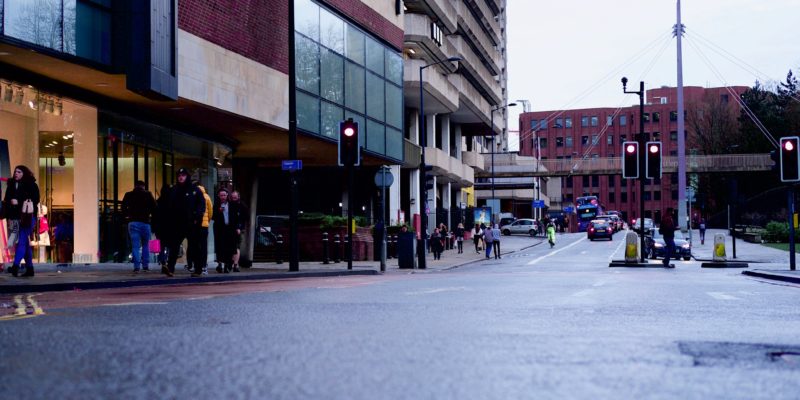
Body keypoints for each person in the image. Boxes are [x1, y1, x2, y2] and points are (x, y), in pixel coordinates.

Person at [158, 168, 206, 277]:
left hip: (191, 224)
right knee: (174, 246)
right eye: (179, 175)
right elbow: (168, 206)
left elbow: (201, 205)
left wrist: (197, 218)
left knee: (194, 246)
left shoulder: (195, 190)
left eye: (183, 175)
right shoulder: (173, 190)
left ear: (187, 176)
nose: (181, 177)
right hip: (177, 224)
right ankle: (170, 269)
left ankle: (198, 269)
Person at [4, 165, 40, 277]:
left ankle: (15, 267)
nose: (16, 174)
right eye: (15, 172)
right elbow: (6, 200)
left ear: (24, 173)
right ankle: (30, 269)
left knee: (22, 241)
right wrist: (9, 216)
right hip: (16, 217)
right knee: (25, 243)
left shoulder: (31, 185)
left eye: (19, 172)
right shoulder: (10, 185)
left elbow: (35, 200)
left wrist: (18, 202)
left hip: (28, 216)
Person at [121, 180, 157, 273]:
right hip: (145, 222)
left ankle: (136, 267)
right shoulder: (148, 194)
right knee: (145, 245)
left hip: (133, 222)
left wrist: (127, 216)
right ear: (143, 186)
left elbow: (123, 207)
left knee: (135, 246)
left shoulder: (128, 194)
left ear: (135, 186)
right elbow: (154, 208)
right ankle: (145, 266)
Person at [213, 188, 240, 273]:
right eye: (221, 195)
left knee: (230, 247)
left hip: (230, 228)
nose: (223, 197)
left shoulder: (232, 204)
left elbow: (237, 217)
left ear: (227, 195)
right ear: (218, 196)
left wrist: (238, 227)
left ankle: (227, 266)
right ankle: (220, 264)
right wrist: (219, 211)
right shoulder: (216, 205)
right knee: (220, 247)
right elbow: (213, 217)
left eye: (224, 195)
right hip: (220, 229)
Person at [230, 190, 248, 271]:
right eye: (232, 197)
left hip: (239, 229)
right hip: (231, 228)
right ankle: (232, 263)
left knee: (237, 246)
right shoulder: (230, 204)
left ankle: (235, 264)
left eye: (235, 197)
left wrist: (240, 228)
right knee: (232, 246)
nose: (234, 199)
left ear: (238, 197)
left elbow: (244, 218)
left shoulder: (242, 206)